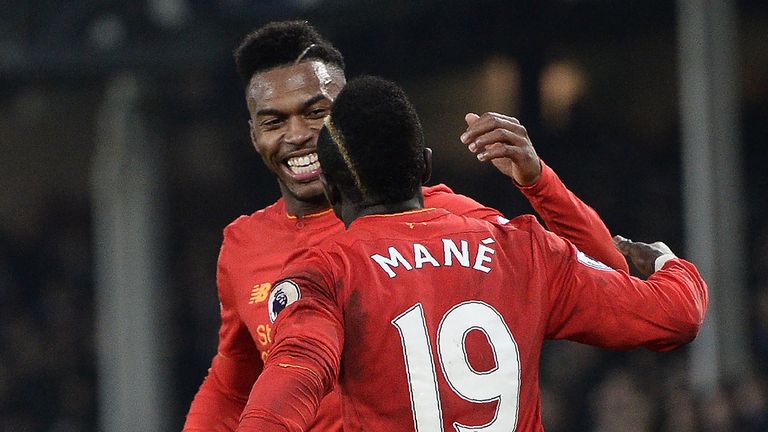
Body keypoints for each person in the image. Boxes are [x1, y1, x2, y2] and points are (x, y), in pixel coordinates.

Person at [183, 20, 628, 431]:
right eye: (274, 121)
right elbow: (230, 385)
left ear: (350, 116)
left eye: (316, 113)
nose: (297, 135)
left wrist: (539, 181)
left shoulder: (445, 221)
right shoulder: (243, 244)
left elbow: (612, 276)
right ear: (254, 135)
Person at [236, 75, 708, 431]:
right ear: (425, 166)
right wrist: (668, 262)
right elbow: (675, 315)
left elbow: (292, 382)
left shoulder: (323, 275)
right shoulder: (520, 248)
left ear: (333, 192)